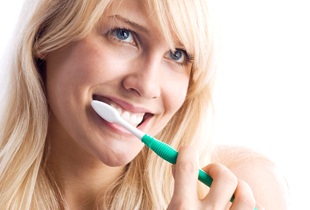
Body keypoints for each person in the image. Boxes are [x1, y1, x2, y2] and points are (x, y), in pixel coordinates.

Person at [0, 0, 288, 209]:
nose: (147, 85)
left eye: (176, 55)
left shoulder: (239, 191)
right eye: (123, 35)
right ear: (45, 38)